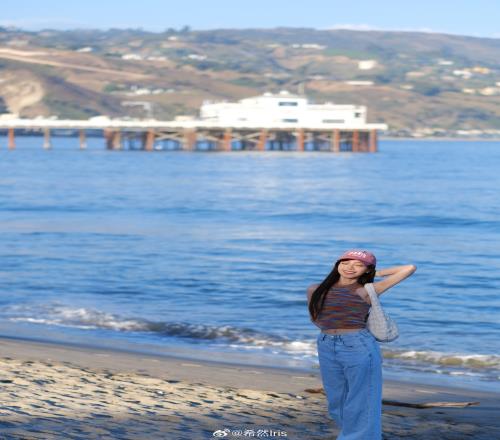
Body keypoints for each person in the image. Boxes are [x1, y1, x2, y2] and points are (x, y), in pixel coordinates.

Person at [307, 249, 416, 440]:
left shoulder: (367, 290)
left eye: (358, 264)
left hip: (357, 345)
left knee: (363, 398)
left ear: (366, 270)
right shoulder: (315, 289)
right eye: (345, 262)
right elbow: (316, 318)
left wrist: (376, 273)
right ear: (337, 264)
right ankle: (353, 434)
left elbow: (409, 268)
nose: (350, 267)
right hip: (326, 344)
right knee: (336, 399)